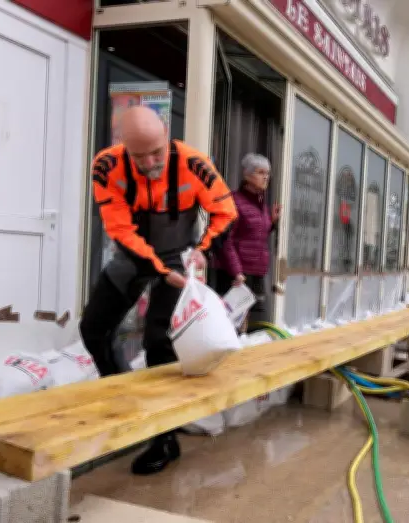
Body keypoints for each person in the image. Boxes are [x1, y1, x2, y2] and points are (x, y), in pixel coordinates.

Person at [79, 106, 237, 476]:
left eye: (156, 152)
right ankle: (128, 402)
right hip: (133, 255)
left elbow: (225, 212)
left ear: (167, 134)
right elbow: (119, 229)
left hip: (179, 256)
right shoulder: (106, 166)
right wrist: (158, 270)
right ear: (123, 145)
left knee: (159, 343)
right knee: (94, 328)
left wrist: (203, 250)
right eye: (139, 156)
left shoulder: (194, 164)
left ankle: (164, 438)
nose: (149, 163)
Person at [214, 154, 282, 331]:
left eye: (267, 173)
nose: (266, 177)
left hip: (255, 272)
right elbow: (226, 240)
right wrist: (236, 272)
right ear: (247, 175)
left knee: (252, 324)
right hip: (235, 274)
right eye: (260, 172)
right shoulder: (234, 201)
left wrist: (272, 223)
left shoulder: (261, 204)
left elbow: (253, 235)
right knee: (232, 323)